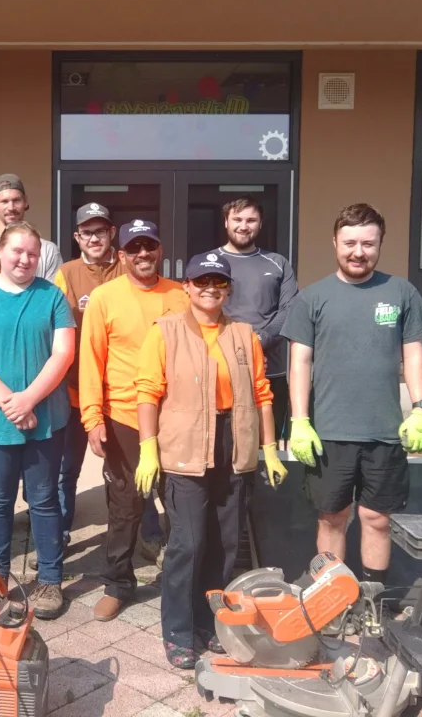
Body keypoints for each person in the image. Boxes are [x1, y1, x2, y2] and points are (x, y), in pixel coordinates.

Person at [135, 252, 287, 669]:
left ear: (228, 289)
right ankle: (178, 632)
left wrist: (269, 448)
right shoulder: (164, 332)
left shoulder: (243, 334)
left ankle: (208, 623)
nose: (210, 289)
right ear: (185, 286)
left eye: (218, 282)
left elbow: (262, 395)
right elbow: (147, 392)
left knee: (224, 545)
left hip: (233, 446)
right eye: (201, 281)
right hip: (183, 450)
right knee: (188, 543)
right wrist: (148, 448)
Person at [281, 203, 422, 586]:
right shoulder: (312, 298)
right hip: (329, 431)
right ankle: (331, 595)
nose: (358, 252)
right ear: (335, 242)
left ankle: (371, 600)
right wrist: (299, 420)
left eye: (368, 243)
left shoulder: (401, 292)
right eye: (350, 242)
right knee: (332, 516)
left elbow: (413, 355)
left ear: (380, 243)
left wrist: (421, 409)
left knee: (376, 518)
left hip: (384, 431)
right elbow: (299, 364)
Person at [0, 221, 75, 619]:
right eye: (17, 251)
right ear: (0, 253)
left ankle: (50, 580)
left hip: (46, 415)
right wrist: (11, 402)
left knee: (43, 499)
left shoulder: (53, 296)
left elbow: (63, 354)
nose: (25, 259)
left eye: (32, 253)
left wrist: (30, 400)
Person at [78, 220, 189, 622]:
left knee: (180, 504)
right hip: (123, 417)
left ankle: (181, 581)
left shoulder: (181, 295)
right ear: (121, 254)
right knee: (124, 506)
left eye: (150, 247)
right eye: (134, 248)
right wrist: (93, 418)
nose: (143, 254)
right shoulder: (105, 298)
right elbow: (90, 360)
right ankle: (118, 583)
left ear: (159, 250)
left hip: (175, 418)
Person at [50, 204, 162, 559]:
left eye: (101, 231)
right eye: (87, 232)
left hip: (123, 393)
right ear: (77, 237)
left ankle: (149, 532)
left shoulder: (128, 265)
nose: (94, 238)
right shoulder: (65, 274)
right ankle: (60, 533)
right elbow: (57, 326)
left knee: (131, 471)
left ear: (113, 234)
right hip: (74, 388)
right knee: (67, 469)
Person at [209, 197, 297, 438]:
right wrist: (238, 347)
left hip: (270, 372)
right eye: (237, 219)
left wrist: (259, 341)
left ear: (260, 224)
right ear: (226, 221)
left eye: (251, 220)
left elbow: (289, 311)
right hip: (221, 371)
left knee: (267, 447)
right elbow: (200, 314)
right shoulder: (209, 263)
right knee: (224, 449)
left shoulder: (278, 263)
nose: (243, 225)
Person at [0, 174, 63, 281]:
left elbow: (53, 294)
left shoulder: (48, 250)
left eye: (16, 200)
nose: (11, 207)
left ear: (25, 201)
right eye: (4, 201)